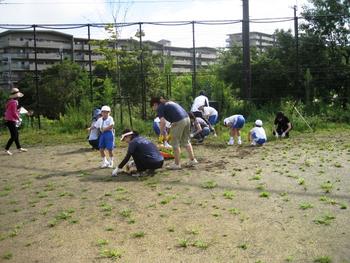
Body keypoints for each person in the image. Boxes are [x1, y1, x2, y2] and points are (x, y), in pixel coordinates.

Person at [150, 97, 198, 170]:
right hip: (187, 118)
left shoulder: (160, 107)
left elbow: (162, 122)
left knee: (175, 143)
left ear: (155, 104)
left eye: (152, 107)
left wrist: (161, 133)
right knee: (186, 141)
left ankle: (177, 164)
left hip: (179, 120)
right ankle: (193, 160)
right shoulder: (169, 103)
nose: (153, 109)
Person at [4, 87, 27, 155]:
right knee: (14, 136)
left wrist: (18, 111)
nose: (19, 97)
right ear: (17, 96)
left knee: (16, 134)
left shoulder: (11, 101)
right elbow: (13, 113)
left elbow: (12, 111)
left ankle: (19, 148)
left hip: (9, 120)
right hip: (11, 120)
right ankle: (6, 149)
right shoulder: (14, 102)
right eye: (18, 96)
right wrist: (18, 118)